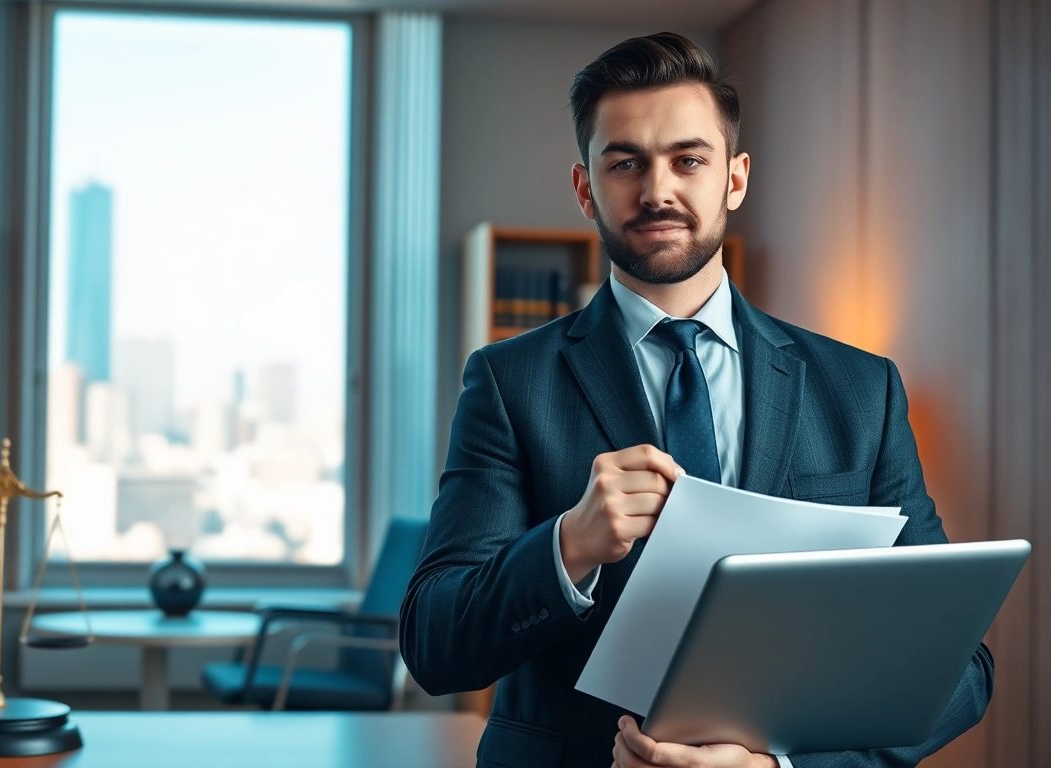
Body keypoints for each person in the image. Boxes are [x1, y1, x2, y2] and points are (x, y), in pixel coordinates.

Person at [398, 32, 992, 768]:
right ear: (586, 188)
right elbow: (433, 645)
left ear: (734, 179)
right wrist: (569, 544)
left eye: (688, 159)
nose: (658, 190)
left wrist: (780, 767)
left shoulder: (860, 391)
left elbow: (958, 667)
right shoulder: (508, 381)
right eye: (625, 163)